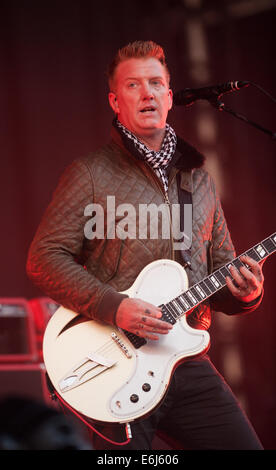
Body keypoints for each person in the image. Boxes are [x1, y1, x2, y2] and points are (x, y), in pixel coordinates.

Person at [26, 40, 265, 450]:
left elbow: (221, 267)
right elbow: (44, 258)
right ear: (115, 102)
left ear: (170, 97)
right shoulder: (90, 173)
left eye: (155, 83)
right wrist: (115, 306)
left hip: (184, 360)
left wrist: (247, 293)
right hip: (113, 360)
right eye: (133, 85)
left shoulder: (199, 179)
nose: (147, 92)